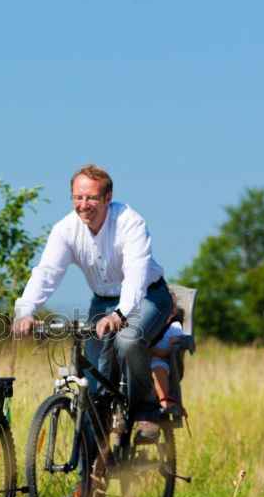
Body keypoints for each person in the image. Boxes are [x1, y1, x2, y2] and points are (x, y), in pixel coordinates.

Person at [13, 164, 173, 433]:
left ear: (107, 198)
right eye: (78, 197)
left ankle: (145, 411)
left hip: (148, 296)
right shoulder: (65, 230)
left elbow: (136, 274)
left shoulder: (129, 222)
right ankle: (89, 472)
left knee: (128, 339)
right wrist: (25, 311)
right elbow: (47, 273)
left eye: (91, 198)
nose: (83, 205)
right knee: (92, 388)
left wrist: (120, 315)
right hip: (102, 301)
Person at [151, 307, 185, 415]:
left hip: (161, 360)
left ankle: (163, 398)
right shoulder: (145, 326)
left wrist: (158, 352)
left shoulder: (174, 327)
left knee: (158, 369)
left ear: (173, 312)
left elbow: (172, 348)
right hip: (141, 361)